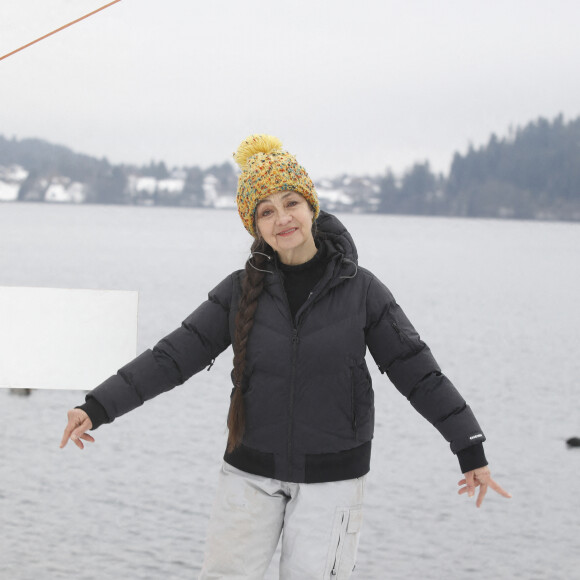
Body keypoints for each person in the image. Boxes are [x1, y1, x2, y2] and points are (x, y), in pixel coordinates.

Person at [61, 134, 511, 579]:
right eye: (266, 211)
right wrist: (97, 406)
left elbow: (419, 373)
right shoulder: (239, 290)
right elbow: (171, 356)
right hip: (248, 473)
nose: (282, 218)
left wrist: (469, 447)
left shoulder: (362, 290)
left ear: (312, 206)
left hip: (333, 478)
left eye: (291, 202)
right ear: (255, 225)